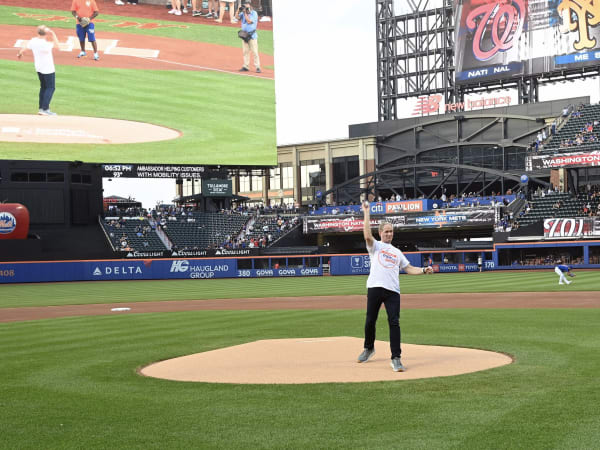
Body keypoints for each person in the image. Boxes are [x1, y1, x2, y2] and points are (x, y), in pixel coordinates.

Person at [358, 201, 433, 372]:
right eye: (386, 231)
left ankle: (396, 358)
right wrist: (366, 213)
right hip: (375, 287)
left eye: (391, 231)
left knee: (394, 322)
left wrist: (423, 270)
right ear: (380, 233)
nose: (389, 234)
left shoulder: (397, 252)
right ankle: (369, 348)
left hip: (392, 291)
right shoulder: (375, 246)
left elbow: (408, 268)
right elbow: (367, 236)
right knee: (370, 320)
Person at [17, 25, 59, 116]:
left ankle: (41, 108)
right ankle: (45, 109)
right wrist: (53, 33)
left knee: (43, 87)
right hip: (48, 68)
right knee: (50, 88)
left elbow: (25, 49)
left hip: (39, 67)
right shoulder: (45, 44)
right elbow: (57, 46)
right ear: (46, 33)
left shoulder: (33, 41)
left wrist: (20, 53)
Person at [238, 1, 261, 73]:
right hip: (244, 35)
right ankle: (246, 66)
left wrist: (245, 13)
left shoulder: (254, 13)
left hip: (252, 36)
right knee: (245, 52)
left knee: (255, 52)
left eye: (247, 6)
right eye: (245, 5)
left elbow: (249, 21)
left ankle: (257, 67)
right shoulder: (243, 13)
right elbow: (236, 18)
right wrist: (238, 10)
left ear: (250, 6)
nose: (246, 7)